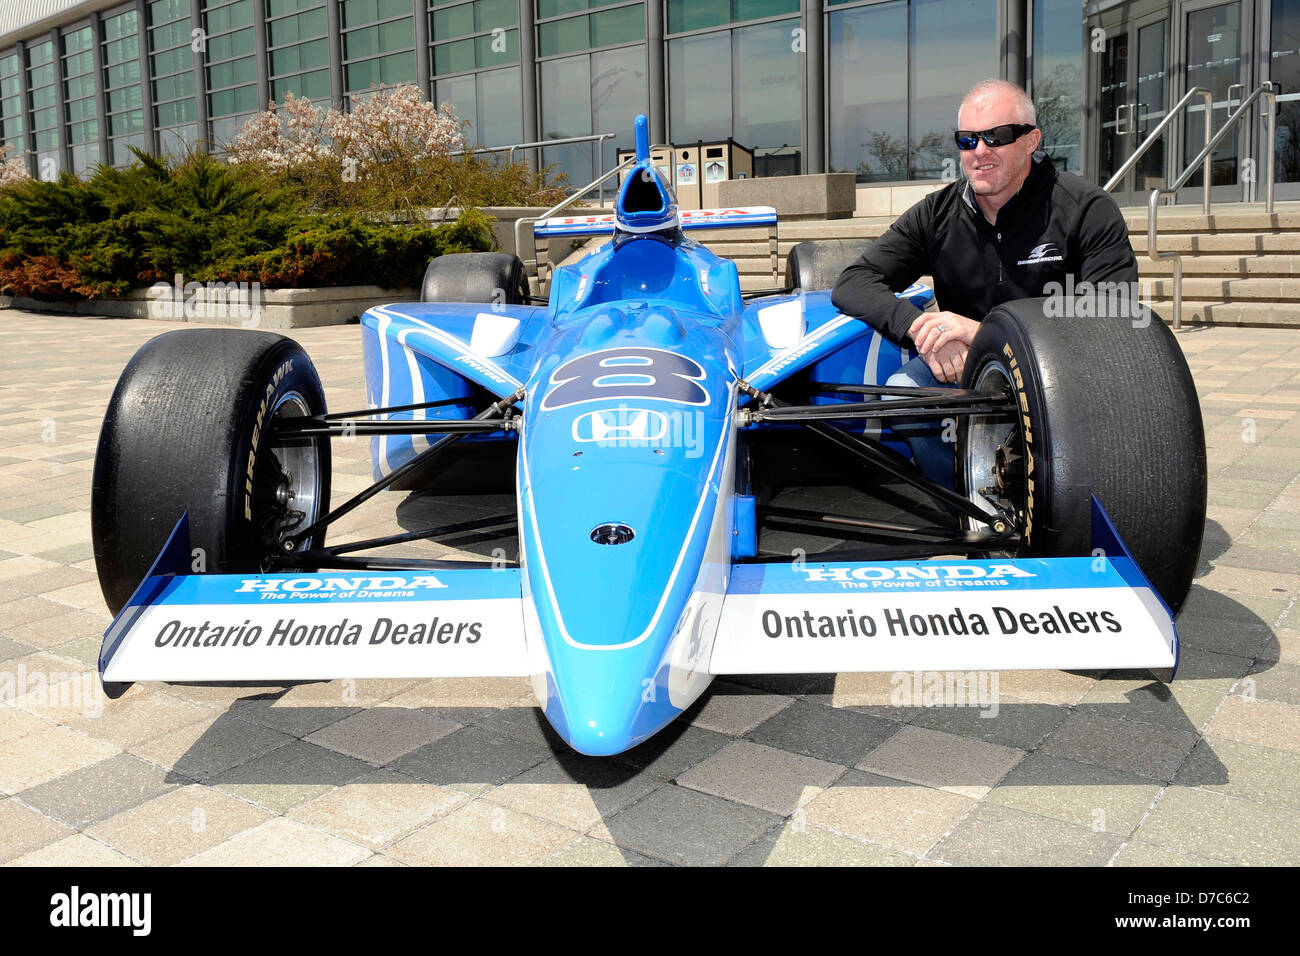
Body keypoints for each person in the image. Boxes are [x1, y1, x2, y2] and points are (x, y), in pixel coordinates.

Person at [831, 78, 1139, 487]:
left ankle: (1052, 495)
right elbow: (853, 282)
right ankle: (971, 505)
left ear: (1032, 141)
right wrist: (920, 330)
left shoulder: (1087, 208)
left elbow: (1113, 317)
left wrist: (984, 335)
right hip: (969, 371)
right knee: (904, 390)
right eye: (968, 139)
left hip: (1062, 376)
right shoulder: (936, 213)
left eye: (997, 137)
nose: (980, 152)